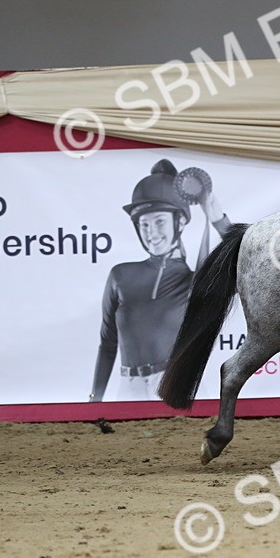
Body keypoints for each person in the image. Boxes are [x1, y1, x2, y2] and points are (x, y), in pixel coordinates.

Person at [89, 159, 232, 402]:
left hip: (175, 384)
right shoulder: (120, 275)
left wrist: (217, 219)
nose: (151, 232)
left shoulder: (195, 279)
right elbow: (107, 342)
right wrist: (95, 399)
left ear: (180, 222)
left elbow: (243, 261)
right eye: (144, 224)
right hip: (129, 389)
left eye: (159, 222)